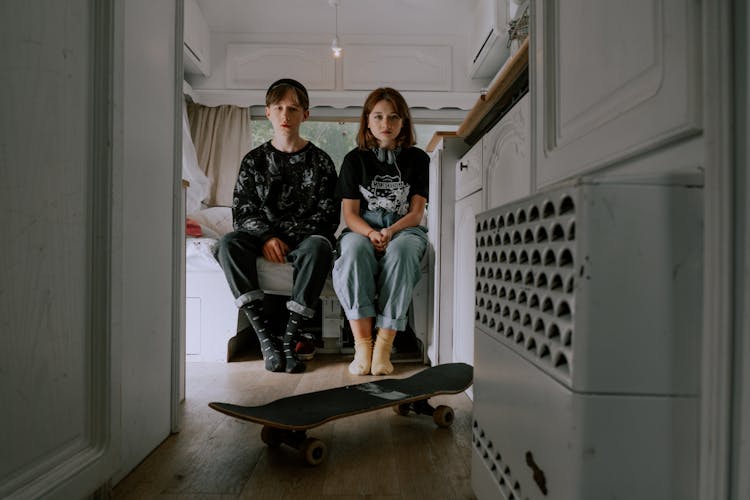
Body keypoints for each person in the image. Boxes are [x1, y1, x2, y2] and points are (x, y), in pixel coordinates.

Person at [216, 78, 339, 373]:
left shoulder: (321, 162)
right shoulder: (253, 161)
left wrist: (287, 239)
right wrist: (268, 237)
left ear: (305, 115)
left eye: (293, 108)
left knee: (321, 246)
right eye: (279, 108)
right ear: (268, 112)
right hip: (260, 239)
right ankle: (266, 339)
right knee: (227, 244)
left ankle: (289, 338)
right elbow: (242, 211)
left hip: (306, 241)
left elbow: (328, 215)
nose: (286, 115)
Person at [333, 87, 430, 376]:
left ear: (403, 122)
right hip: (363, 229)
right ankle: (363, 344)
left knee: (402, 251)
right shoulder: (354, 160)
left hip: (404, 229)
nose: (385, 124)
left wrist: (390, 231)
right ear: (367, 121)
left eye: (393, 117)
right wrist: (371, 233)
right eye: (378, 117)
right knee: (351, 251)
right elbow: (350, 215)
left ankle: (384, 346)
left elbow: (416, 213)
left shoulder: (418, 160)